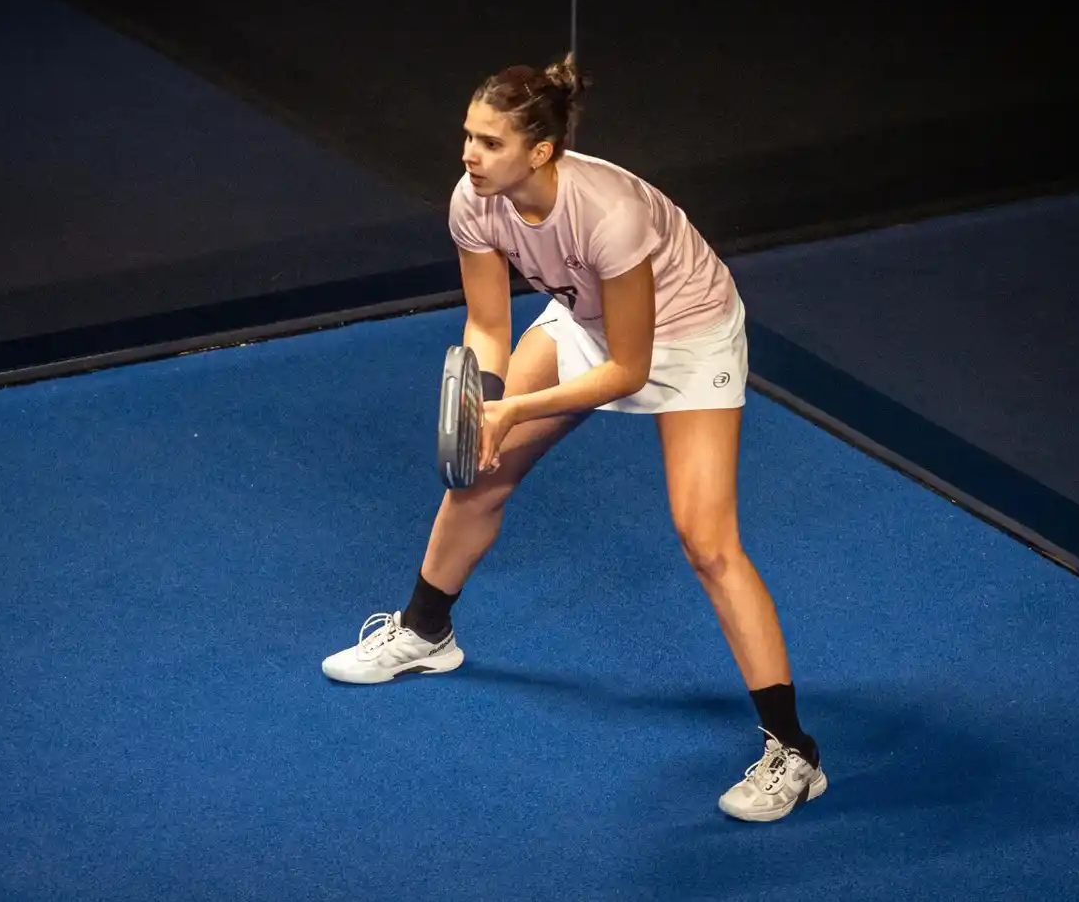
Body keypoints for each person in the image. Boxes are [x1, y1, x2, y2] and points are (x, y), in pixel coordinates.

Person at [321, 53, 826, 822]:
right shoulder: (474, 200)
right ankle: (426, 631)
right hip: (590, 320)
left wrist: (516, 411)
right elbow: (489, 324)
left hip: (687, 338)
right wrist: (488, 405)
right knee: (480, 476)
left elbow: (630, 368)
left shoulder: (608, 212)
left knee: (707, 540)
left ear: (541, 151)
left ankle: (794, 751)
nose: (468, 154)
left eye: (489, 142)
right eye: (467, 135)